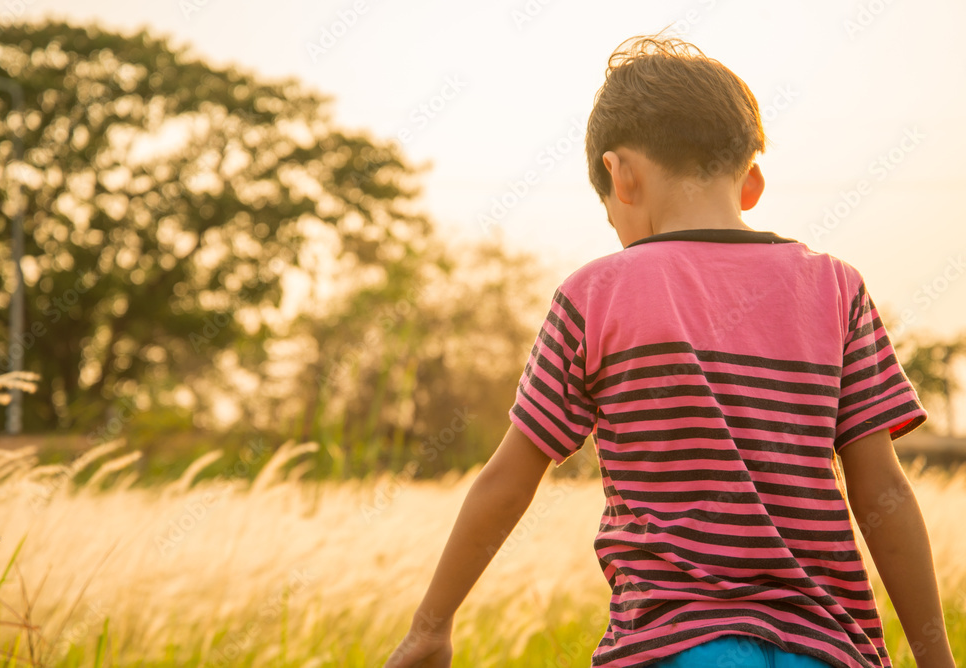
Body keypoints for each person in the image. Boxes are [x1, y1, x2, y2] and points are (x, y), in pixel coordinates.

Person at [382, 34, 956, 668]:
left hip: (669, 649)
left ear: (619, 175)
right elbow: (884, 492)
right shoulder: (837, 288)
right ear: (753, 182)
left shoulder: (594, 295)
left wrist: (430, 627)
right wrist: (936, 659)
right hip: (826, 648)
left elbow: (507, 481)